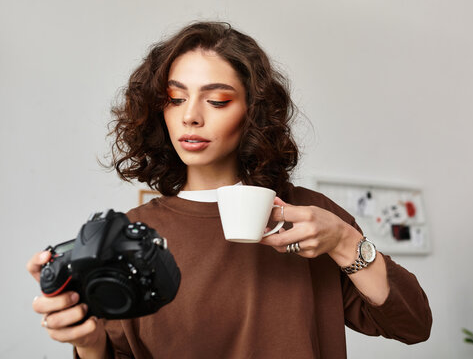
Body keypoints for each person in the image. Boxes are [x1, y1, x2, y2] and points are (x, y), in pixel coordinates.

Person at [27, 21, 432, 358]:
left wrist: (344, 241)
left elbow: (413, 325)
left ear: (253, 111)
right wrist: (88, 343)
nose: (190, 116)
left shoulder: (311, 216)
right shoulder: (132, 234)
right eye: (174, 98)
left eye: (217, 101)